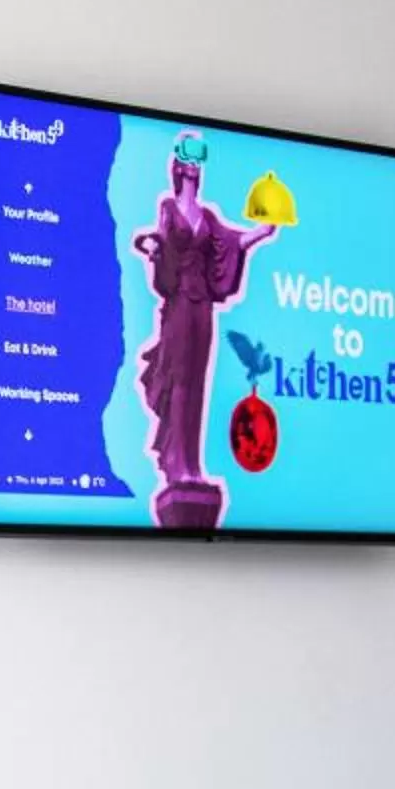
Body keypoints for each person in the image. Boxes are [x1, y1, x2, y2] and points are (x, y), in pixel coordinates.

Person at [133, 130, 277, 528]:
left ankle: (193, 466)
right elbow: (161, 244)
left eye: (199, 163)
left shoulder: (208, 217)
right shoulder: (169, 208)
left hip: (202, 308)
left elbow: (231, 243)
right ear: (178, 168)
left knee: (198, 384)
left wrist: (260, 234)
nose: (195, 168)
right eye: (189, 161)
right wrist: (153, 249)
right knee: (179, 381)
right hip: (179, 304)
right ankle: (177, 466)